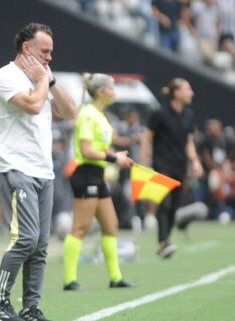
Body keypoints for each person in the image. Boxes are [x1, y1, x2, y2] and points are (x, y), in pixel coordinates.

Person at [0, 22, 76, 321]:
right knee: (26, 239)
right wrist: (40, 81)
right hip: (15, 167)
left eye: (51, 52)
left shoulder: (43, 78)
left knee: (41, 247)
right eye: (44, 51)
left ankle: (30, 309)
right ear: (26, 48)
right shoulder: (5, 76)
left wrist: (51, 80)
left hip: (43, 170)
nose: (49, 57)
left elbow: (70, 112)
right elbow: (34, 106)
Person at [63, 73, 135, 291]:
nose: (115, 92)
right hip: (85, 175)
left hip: (97, 175)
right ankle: (69, 280)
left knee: (110, 225)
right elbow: (86, 151)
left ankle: (115, 278)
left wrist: (117, 156)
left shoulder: (101, 116)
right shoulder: (88, 114)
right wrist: (114, 158)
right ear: (101, 92)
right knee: (80, 228)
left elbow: (98, 148)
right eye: (112, 88)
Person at [139, 78, 203, 259]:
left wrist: (195, 161)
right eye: (188, 89)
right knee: (165, 203)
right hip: (162, 165)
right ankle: (163, 243)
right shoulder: (159, 113)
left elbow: (189, 142)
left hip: (180, 166)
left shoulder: (189, 115)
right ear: (177, 93)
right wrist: (143, 163)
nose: (191, 93)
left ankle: (164, 242)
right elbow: (147, 138)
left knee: (174, 205)